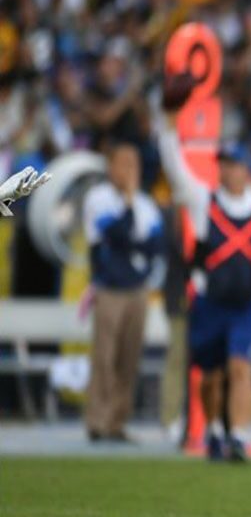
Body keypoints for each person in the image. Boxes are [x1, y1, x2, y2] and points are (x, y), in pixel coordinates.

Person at [158, 84, 251, 463]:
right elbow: (175, 168)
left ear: (248, 171)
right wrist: (168, 125)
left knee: (240, 365)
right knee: (211, 376)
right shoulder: (203, 201)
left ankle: (238, 435)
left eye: (235, 165)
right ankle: (215, 430)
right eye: (223, 164)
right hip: (211, 301)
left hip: (248, 303)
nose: (228, 171)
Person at [82, 144, 163, 442]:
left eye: (134, 164)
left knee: (129, 359)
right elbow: (115, 234)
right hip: (109, 288)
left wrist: (129, 233)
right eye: (124, 163)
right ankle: (97, 420)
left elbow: (153, 246)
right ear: (111, 166)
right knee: (104, 357)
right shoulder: (98, 199)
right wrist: (128, 206)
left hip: (136, 289)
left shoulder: (146, 204)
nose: (130, 171)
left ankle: (117, 421)